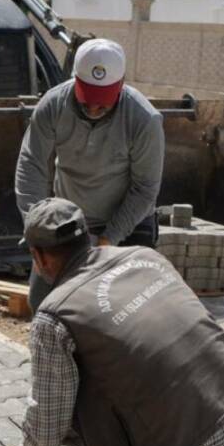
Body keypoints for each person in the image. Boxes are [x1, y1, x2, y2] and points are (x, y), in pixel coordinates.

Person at [10, 198, 224, 446]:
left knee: (80, 382)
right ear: (85, 236)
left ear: (40, 257)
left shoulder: (55, 314)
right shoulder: (145, 256)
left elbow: (49, 413)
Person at [14, 38, 165, 311]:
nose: (94, 109)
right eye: (88, 101)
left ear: (120, 86)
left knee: (124, 307)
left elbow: (145, 189)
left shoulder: (144, 119)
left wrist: (108, 239)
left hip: (126, 221)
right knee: (42, 301)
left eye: (103, 103)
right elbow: (31, 164)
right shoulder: (53, 105)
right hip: (70, 220)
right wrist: (35, 226)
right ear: (75, 81)